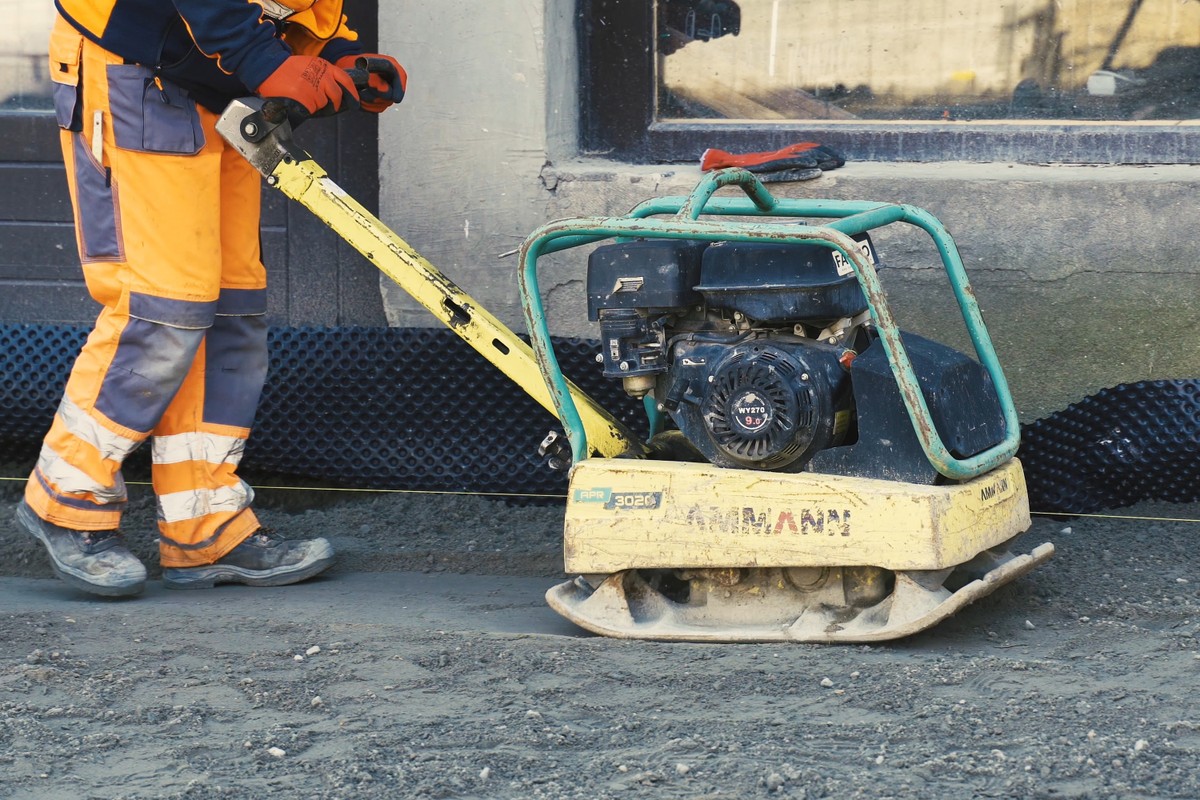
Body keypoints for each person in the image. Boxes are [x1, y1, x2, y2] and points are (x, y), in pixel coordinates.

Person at [16, 0, 406, 597]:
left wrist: (331, 55)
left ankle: (204, 525)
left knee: (229, 309)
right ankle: (66, 498)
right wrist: (263, 59)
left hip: (216, 81)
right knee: (160, 305)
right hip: (135, 67)